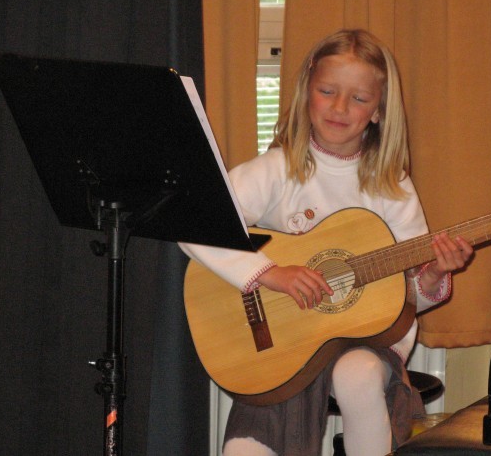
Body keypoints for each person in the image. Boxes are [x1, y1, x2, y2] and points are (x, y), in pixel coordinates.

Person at [180, 29, 473, 456]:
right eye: (327, 91)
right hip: (289, 333)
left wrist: (432, 276)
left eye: (359, 98)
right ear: (306, 93)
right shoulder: (278, 169)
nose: (339, 108)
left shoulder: (392, 187)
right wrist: (269, 274)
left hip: (368, 337)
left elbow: (407, 299)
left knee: (357, 375)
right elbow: (195, 222)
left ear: (378, 110)